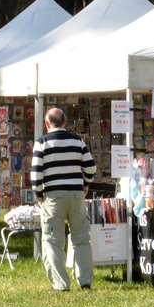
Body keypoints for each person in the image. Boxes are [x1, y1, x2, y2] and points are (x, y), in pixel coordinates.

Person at [31, 107, 96, 291]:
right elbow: (90, 167)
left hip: (53, 196)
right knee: (82, 239)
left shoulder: (42, 143)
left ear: (47, 123)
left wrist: (39, 195)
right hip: (76, 195)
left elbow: (36, 175)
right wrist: (85, 184)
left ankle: (61, 284)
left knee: (53, 241)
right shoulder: (77, 141)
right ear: (65, 122)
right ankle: (85, 280)